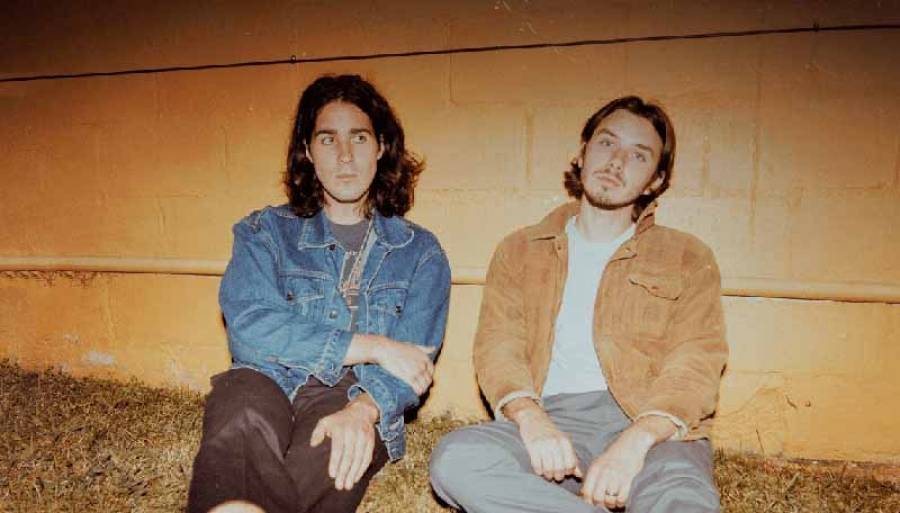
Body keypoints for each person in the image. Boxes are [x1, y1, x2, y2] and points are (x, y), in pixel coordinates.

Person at [430, 96, 727, 512]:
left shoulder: (687, 257)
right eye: (607, 143)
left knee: (683, 502)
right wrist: (532, 420)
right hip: (554, 419)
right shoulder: (521, 249)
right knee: (457, 461)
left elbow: (696, 363)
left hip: (652, 425)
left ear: (655, 180)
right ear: (582, 152)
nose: (616, 161)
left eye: (638, 155)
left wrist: (635, 442)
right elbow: (499, 347)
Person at [189, 74, 451, 513]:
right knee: (241, 420)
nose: (345, 156)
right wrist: (375, 346)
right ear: (308, 152)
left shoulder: (420, 252)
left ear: (382, 146)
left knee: (333, 454)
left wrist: (364, 411)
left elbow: (414, 362)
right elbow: (250, 327)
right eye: (328, 140)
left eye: (359, 137)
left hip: (353, 392)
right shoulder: (264, 232)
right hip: (264, 377)